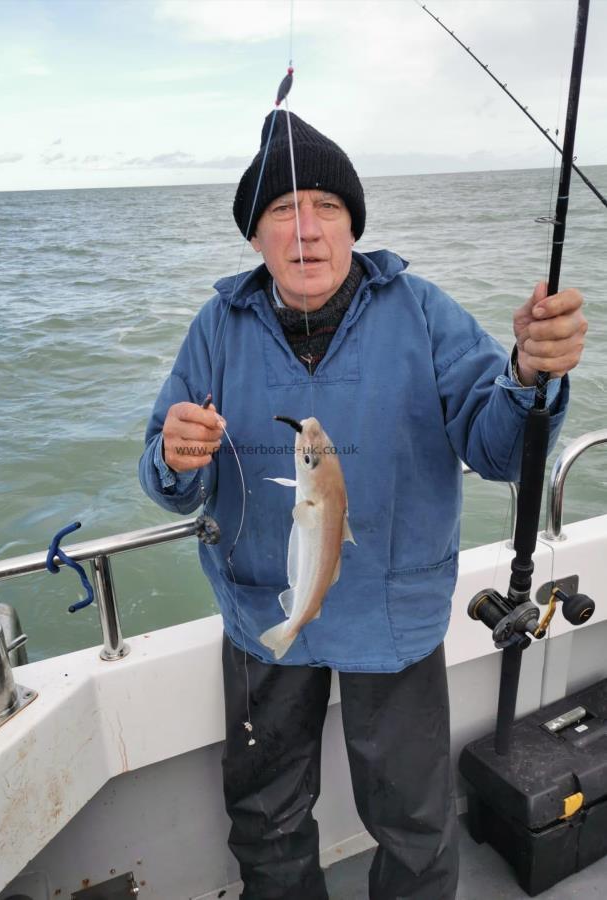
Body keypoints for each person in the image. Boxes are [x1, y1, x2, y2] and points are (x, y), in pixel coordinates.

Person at [139, 111, 587, 900]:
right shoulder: (217, 326)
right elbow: (168, 474)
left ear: (354, 224)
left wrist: (528, 375)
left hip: (392, 607)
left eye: (326, 207)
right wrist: (174, 456)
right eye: (280, 210)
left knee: (412, 818)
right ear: (254, 236)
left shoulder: (421, 310)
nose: (305, 230)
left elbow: (492, 449)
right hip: (261, 615)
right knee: (264, 813)